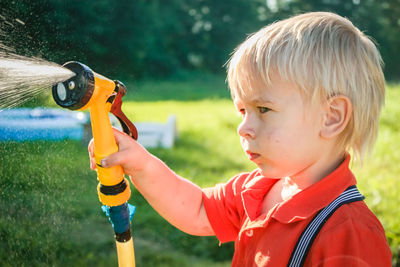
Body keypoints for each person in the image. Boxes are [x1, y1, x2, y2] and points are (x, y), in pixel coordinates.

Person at [89, 12, 392, 266]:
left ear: (331, 117)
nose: (243, 127)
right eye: (242, 111)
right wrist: (141, 165)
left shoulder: (349, 232)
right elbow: (196, 210)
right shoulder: (257, 190)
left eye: (263, 109)